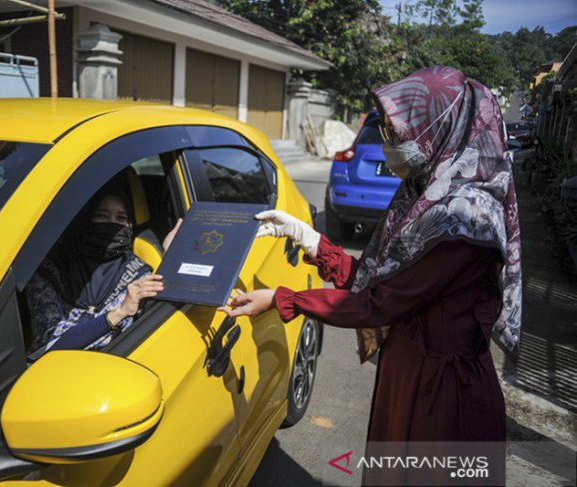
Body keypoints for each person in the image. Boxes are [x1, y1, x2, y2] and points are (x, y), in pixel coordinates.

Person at [222, 66, 521, 482]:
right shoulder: (426, 193)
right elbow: (378, 276)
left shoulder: (464, 219)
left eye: (399, 134)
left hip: (443, 391)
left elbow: (379, 302)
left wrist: (283, 299)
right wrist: (310, 239)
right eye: (387, 132)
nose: (390, 145)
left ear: (441, 129)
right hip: (409, 371)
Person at [26, 187, 179, 358]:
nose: (111, 225)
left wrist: (172, 259)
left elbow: (167, 313)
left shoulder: (138, 275)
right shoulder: (49, 270)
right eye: (101, 216)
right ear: (85, 219)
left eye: (120, 218)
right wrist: (118, 313)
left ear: (129, 226)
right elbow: (49, 346)